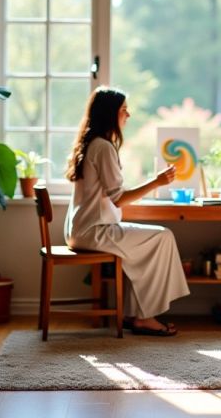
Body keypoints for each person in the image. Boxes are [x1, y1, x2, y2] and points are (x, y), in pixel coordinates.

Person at [64, 87, 190, 336]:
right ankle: (144, 317)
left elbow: (113, 193)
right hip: (94, 231)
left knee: (148, 245)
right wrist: (157, 182)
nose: (128, 115)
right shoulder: (103, 147)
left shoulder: (92, 144)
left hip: (82, 230)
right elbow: (119, 198)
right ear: (110, 114)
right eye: (123, 110)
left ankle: (138, 315)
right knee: (162, 237)